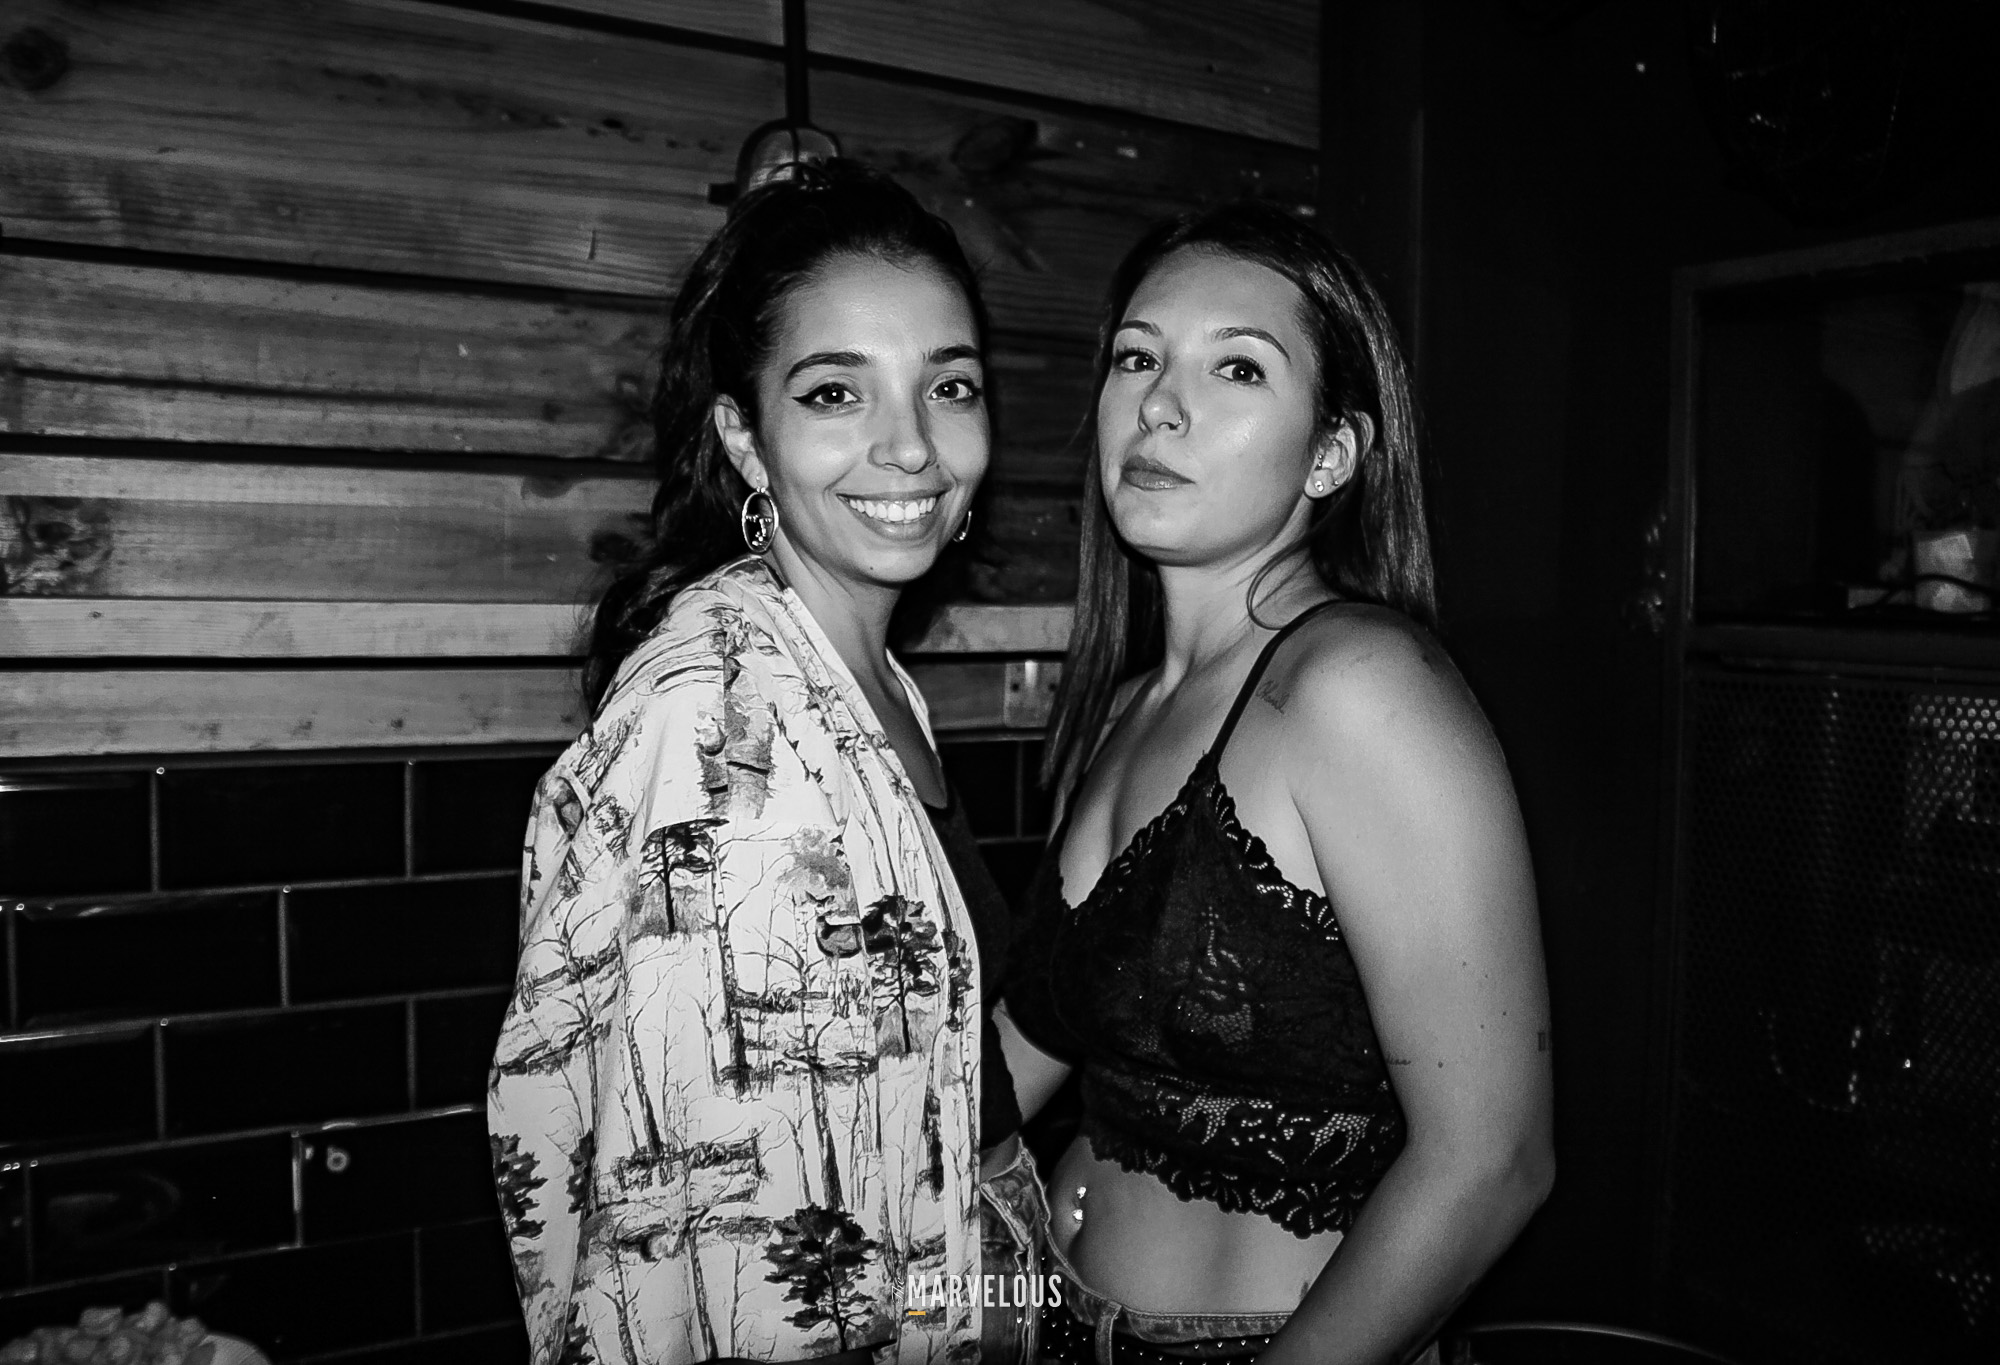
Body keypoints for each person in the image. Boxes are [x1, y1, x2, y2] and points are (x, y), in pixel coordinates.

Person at [489, 157, 1031, 1365]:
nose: (910, 447)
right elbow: (697, 1225)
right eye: (836, 393)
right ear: (744, 437)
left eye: (948, 387)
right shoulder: (719, 719)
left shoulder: (860, 676)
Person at [999, 203, 1555, 1365]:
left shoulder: (1354, 687)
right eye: (1136, 358)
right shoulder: (1121, 709)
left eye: (1236, 367)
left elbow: (1491, 1160)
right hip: (1048, 1316)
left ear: (1329, 453)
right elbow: (1031, 1045)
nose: (1160, 404)